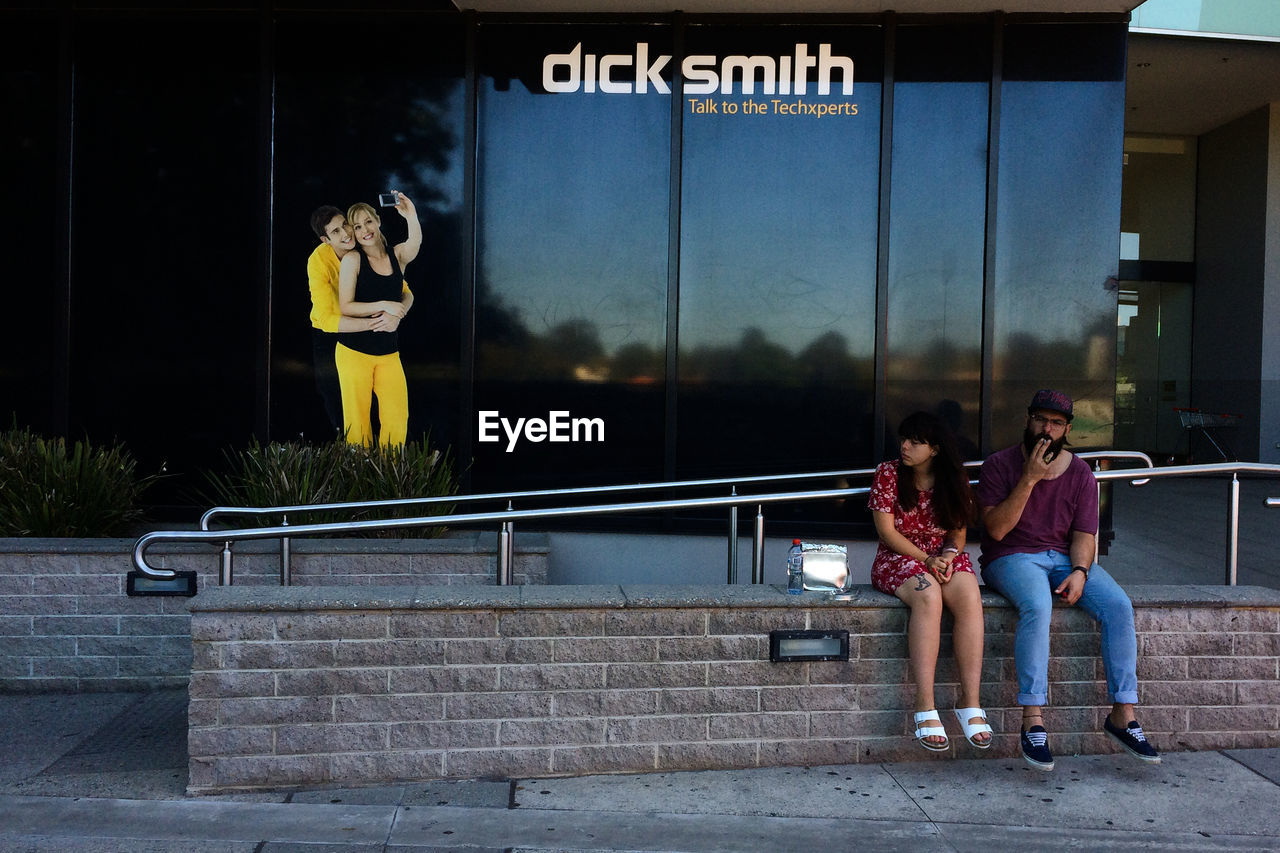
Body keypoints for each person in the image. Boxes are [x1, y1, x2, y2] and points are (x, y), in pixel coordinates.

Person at [978, 389, 1160, 771]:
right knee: (1037, 604)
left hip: (1064, 559)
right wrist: (1028, 479)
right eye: (1041, 420)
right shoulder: (999, 465)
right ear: (1027, 420)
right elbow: (994, 531)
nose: (1047, 428)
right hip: (1011, 557)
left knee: (1117, 605)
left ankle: (1122, 714)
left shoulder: (1079, 472)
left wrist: (1080, 571)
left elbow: (1084, 535)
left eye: (1056, 423)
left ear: (1068, 429)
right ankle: (1033, 721)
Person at [869, 411, 991, 752]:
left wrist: (948, 558)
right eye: (904, 439)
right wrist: (926, 560)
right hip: (898, 558)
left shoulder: (954, 478)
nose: (905, 446)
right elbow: (886, 531)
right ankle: (925, 704)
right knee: (929, 598)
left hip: (941, 557)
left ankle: (970, 701)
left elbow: (958, 533)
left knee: (969, 597)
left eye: (915, 442)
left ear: (935, 449)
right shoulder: (888, 473)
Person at [306, 206, 402, 435]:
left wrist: (397, 315)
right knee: (335, 398)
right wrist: (377, 322)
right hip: (331, 333)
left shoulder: (365, 246)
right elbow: (326, 319)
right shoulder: (318, 261)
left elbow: (404, 289)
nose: (346, 234)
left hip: (373, 331)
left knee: (385, 404)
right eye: (336, 232)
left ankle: (385, 463)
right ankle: (352, 461)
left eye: (345, 225)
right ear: (326, 239)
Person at [336, 194, 420, 447]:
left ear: (378, 221)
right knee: (358, 424)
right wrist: (385, 306)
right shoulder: (353, 260)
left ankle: (388, 482)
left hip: (388, 354)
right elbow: (346, 306)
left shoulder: (397, 255)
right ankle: (358, 481)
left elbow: (415, 242)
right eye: (358, 227)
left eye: (368, 222)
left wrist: (411, 215)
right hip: (354, 352)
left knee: (397, 419)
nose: (365, 230)